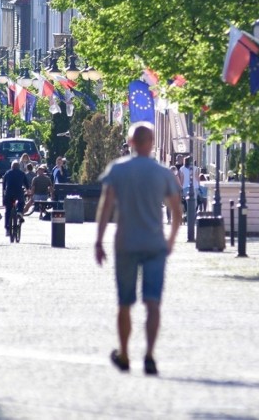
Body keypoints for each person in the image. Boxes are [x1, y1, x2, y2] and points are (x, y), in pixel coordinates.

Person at [94, 121, 181, 376]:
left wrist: (98, 241)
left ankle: (124, 354)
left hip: (126, 243)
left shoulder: (118, 170)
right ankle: (150, 356)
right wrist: (171, 241)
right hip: (155, 244)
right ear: (152, 143)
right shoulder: (163, 173)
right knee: (153, 303)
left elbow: (105, 207)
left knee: (125, 302)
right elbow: (177, 212)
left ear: (131, 143)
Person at [2, 160, 29, 236]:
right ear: (19, 167)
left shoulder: (7, 173)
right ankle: (20, 212)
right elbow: (26, 184)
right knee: (21, 202)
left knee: (8, 211)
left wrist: (4, 196)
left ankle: (7, 228)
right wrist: (28, 190)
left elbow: (4, 185)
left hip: (9, 193)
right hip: (18, 193)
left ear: (11, 167)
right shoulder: (22, 173)